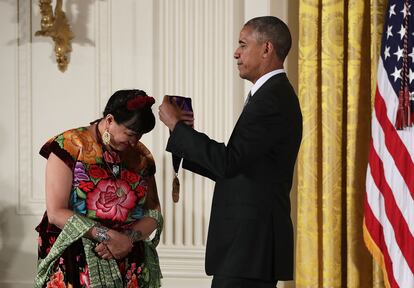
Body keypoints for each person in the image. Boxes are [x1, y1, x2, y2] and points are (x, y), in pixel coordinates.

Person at [159, 16, 302, 288]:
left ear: (266, 48)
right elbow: (237, 168)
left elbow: (227, 163)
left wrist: (177, 126)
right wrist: (180, 135)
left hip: (250, 247)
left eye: (243, 44)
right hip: (247, 249)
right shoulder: (271, 95)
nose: (236, 53)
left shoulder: (272, 98)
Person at [34, 89, 163, 288]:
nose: (134, 142)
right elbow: (56, 213)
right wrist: (109, 236)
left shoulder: (140, 157)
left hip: (127, 255)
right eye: (130, 134)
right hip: (76, 256)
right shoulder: (68, 146)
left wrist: (126, 240)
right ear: (110, 120)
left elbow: (153, 212)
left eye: (140, 135)